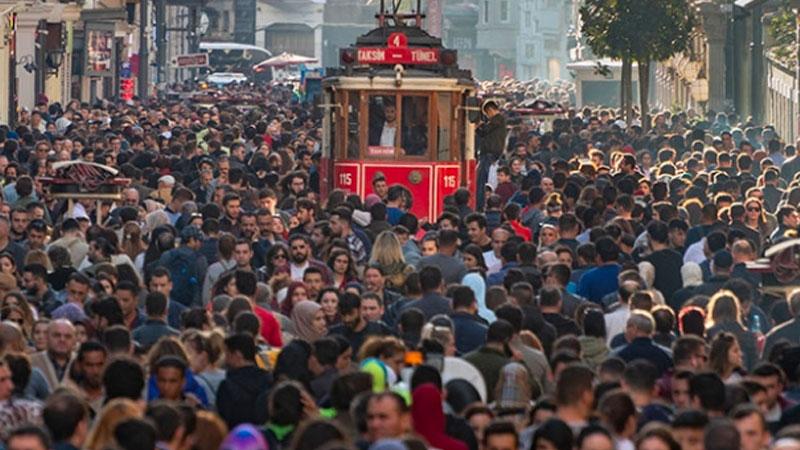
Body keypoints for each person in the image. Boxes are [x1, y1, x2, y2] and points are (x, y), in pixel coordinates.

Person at [216, 333, 272, 427]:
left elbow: (223, 419)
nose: (225, 358)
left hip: (237, 437)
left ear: (238, 355)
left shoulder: (227, 386)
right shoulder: (269, 379)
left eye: (227, 353)